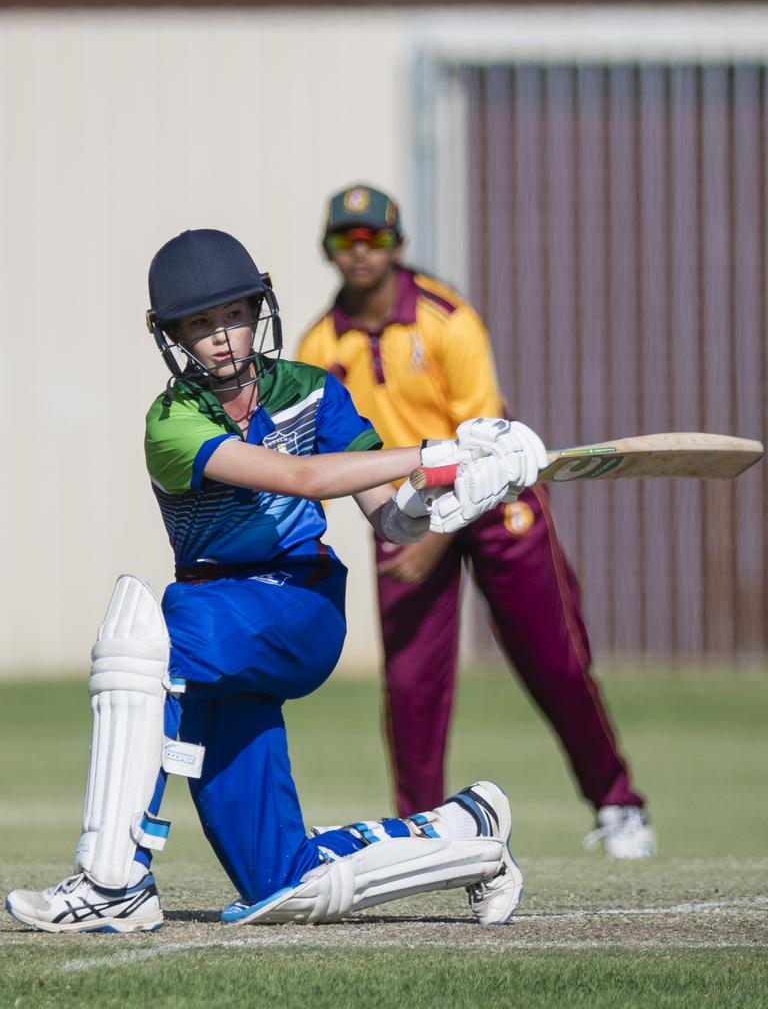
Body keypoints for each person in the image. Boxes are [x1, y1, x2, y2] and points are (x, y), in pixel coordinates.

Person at [6, 228, 549, 934]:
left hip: (299, 608)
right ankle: (471, 833)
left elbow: (396, 526)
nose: (222, 338)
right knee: (284, 886)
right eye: (199, 325)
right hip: (222, 637)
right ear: (172, 337)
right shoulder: (172, 422)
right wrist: (433, 453)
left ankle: (113, 880)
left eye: (233, 315)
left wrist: (456, 489)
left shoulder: (314, 392)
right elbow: (298, 477)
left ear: (257, 309)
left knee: (146, 633)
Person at [298, 184, 656, 859]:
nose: (360, 252)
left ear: (396, 244)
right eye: (347, 240)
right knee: (410, 684)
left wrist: (438, 535)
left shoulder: (446, 318)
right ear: (330, 251)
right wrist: (412, 526)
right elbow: (333, 456)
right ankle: (424, 835)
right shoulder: (321, 345)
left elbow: (487, 452)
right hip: (405, 513)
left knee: (553, 660)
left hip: (497, 502)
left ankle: (618, 804)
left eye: (372, 238)